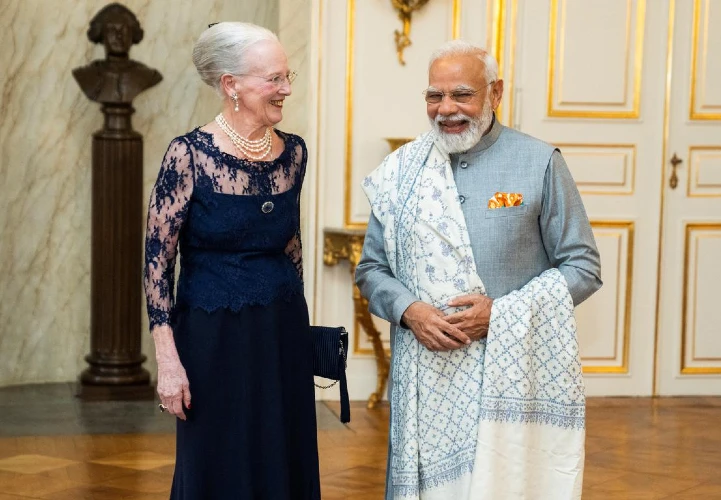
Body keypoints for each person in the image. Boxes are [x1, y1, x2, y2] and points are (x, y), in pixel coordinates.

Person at [355, 40, 602, 499]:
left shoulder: (540, 162)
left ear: (495, 93)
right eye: (434, 96)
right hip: (425, 380)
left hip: (509, 380)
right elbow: (372, 269)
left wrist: (502, 314)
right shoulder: (400, 172)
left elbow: (583, 265)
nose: (446, 109)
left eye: (461, 94)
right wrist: (410, 311)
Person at [143, 22, 320, 499]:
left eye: (288, 76)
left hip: (280, 333)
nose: (285, 89)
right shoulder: (188, 156)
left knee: (284, 455)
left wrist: (300, 334)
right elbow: (158, 264)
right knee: (218, 461)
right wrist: (168, 362)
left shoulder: (295, 154)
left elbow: (291, 245)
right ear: (231, 85)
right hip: (212, 339)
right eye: (273, 79)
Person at [72, 3, 162, 104]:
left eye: (124, 30)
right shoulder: (86, 75)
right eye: (111, 30)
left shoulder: (146, 75)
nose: (118, 36)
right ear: (101, 35)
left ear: (132, 35)